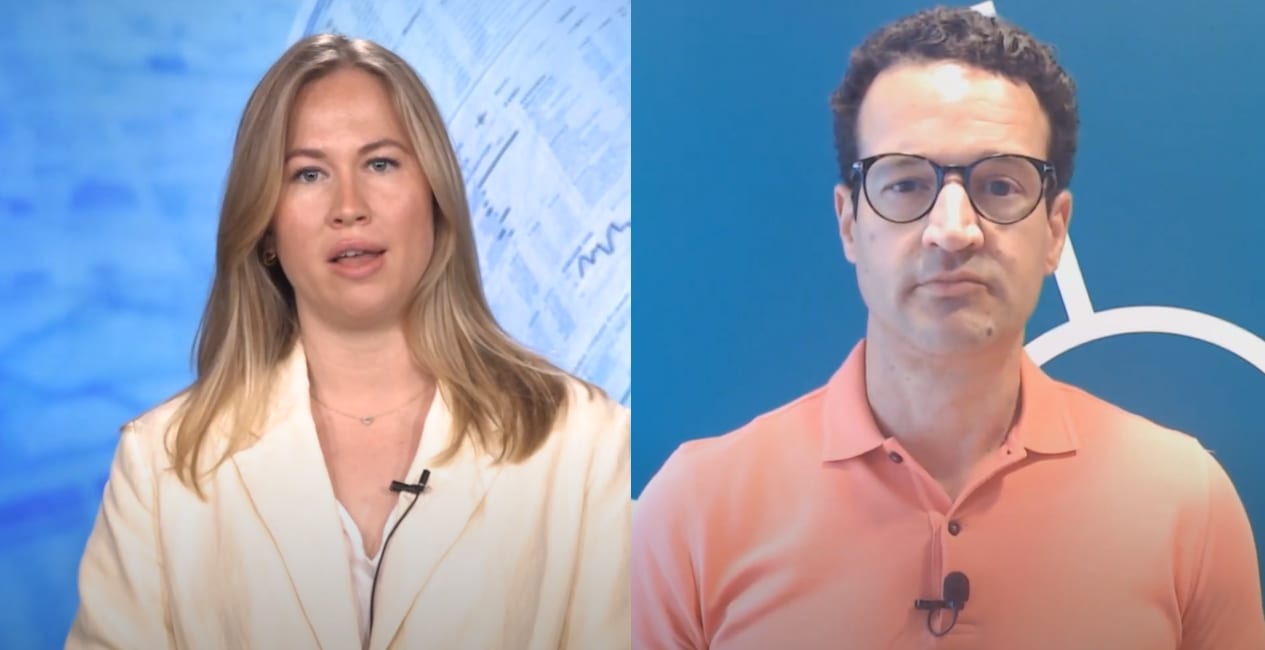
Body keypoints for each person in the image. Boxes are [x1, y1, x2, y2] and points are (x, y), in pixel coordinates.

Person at [631, 6, 1265, 649]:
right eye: (906, 183)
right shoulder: (692, 514)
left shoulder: (1187, 506)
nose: (953, 229)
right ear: (849, 223)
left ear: (1055, 231)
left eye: (1000, 185)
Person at [67, 33, 629, 650]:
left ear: (435, 199)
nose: (349, 207)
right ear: (265, 229)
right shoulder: (161, 465)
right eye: (308, 174)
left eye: (380, 163)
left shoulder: (586, 443)